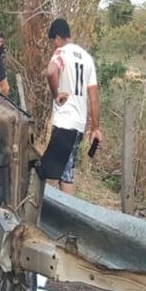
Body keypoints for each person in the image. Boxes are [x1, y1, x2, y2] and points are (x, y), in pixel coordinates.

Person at [40, 18, 101, 195]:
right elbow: (94, 98)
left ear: (57, 38)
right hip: (79, 125)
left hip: (64, 122)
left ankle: (64, 214)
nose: (53, 46)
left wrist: (56, 94)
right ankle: (58, 208)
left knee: (61, 173)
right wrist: (95, 127)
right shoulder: (88, 59)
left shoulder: (61, 53)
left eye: (53, 42)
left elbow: (51, 72)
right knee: (64, 169)